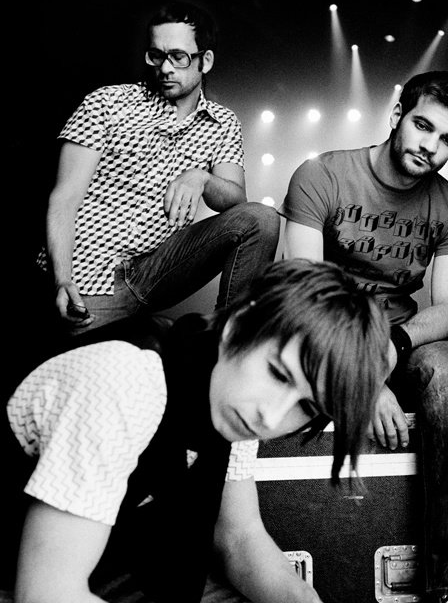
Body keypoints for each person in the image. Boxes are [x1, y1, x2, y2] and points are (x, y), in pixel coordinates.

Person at [3, 258, 390, 603]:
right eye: (277, 373)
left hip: (117, 573)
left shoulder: (234, 398)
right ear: (239, 325)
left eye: (306, 407)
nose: (271, 417)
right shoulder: (127, 379)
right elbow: (45, 593)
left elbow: (239, 537)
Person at [280, 70, 448, 603]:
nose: (431, 146)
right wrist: (362, 376)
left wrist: (394, 346)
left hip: (396, 342)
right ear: (397, 115)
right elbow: (304, 298)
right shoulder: (322, 175)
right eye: (423, 126)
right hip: (320, 342)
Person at [36, 0, 280, 332]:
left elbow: (236, 201)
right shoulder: (107, 102)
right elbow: (64, 198)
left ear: (205, 61)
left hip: (157, 269)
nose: (165, 68)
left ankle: (228, 338)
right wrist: (62, 279)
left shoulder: (222, 123)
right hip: (91, 272)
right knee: (88, 343)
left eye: (178, 57)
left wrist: (202, 179)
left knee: (260, 218)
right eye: (157, 55)